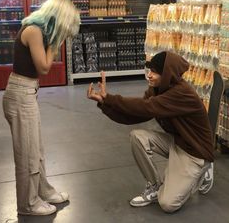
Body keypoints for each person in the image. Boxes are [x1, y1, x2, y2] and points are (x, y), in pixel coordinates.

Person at [87, 51, 214, 213]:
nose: (150, 75)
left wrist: (111, 98)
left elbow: (145, 106)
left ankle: (203, 171)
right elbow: (135, 115)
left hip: (195, 152)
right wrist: (105, 103)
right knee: (137, 136)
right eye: (149, 70)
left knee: (168, 204)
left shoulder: (182, 93)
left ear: (167, 74)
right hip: (177, 142)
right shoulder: (157, 89)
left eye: (155, 72)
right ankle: (155, 185)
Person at [2, 0, 80, 216]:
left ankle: (42, 191)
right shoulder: (34, 31)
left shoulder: (38, 30)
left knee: (36, 150)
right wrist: (57, 41)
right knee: (27, 153)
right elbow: (44, 68)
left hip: (27, 93)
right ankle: (27, 204)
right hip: (20, 95)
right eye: (65, 25)